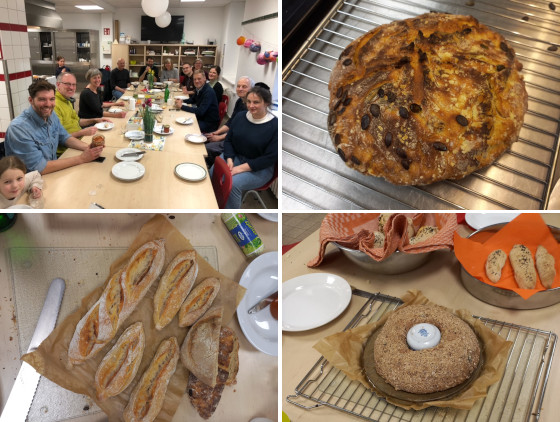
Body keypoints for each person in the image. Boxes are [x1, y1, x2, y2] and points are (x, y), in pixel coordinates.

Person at [4, 79, 104, 174]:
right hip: (30, 185)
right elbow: (40, 167)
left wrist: (89, 148)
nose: (48, 104)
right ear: (31, 100)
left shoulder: (51, 115)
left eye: (52, 99)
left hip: (52, 172)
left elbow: (64, 137)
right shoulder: (18, 129)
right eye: (42, 99)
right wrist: (81, 158)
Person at [209, 86, 277, 209]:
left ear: (266, 103)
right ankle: (214, 204)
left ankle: (231, 217)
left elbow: (269, 158)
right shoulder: (240, 116)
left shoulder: (274, 126)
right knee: (213, 172)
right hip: (236, 156)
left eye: (256, 102)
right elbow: (229, 140)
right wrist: (229, 158)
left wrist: (240, 168)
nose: (251, 105)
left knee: (233, 184)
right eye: (249, 102)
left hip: (259, 167)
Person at [205, 76, 254, 161]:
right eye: (238, 86)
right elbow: (231, 122)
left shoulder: (251, 108)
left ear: (252, 89)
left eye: (244, 86)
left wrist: (219, 138)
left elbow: (239, 132)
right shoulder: (239, 101)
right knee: (207, 138)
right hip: (231, 133)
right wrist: (216, 132)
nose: (240, 89)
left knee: (206, 147)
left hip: (236, 140)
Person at [54, 72, 111, 140]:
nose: (71, 87)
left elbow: (78, 121)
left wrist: (95, 120)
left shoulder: (67, 100)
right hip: (69, 146)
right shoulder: (54, 105)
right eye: (68, 84)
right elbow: (58, 137)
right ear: (58, 84)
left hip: (79, 136)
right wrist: (82, 132)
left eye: (74, 84)